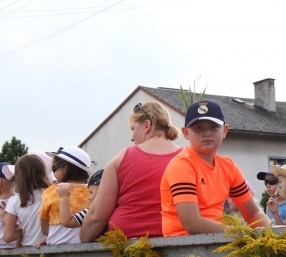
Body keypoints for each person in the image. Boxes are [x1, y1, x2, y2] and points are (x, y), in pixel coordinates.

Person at [160, 99, 270, 236]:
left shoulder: (228, 167)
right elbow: (192, 224)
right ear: (186, 133)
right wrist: (243, 234)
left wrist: (273, 236)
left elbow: (253, 213)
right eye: (198, 128)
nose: (207, 133)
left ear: (224, 131)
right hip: (183, 245)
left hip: (220, 240)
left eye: (213, 127)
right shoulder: (181, 165)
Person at [80, 101, 182, 242]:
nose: (132, 137)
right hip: (179, 241)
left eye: (133, 129)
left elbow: (96, 217)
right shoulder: (187, 158)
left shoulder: (122, 157)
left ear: (147, 125)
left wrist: (82, 243)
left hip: (126, 245)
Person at [40, 146, 92, 245]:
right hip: (87, 246)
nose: (53, 173)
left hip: (56, 248)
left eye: (54, 168)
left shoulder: (50, 192)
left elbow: (44, 229)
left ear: (65, 168)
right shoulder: (93, 191)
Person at [2, 153, 50, 247]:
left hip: (27, 251)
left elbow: (7, 237)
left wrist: (23, 230)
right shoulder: (51, 194)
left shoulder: (15, 200)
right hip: (49, 246)